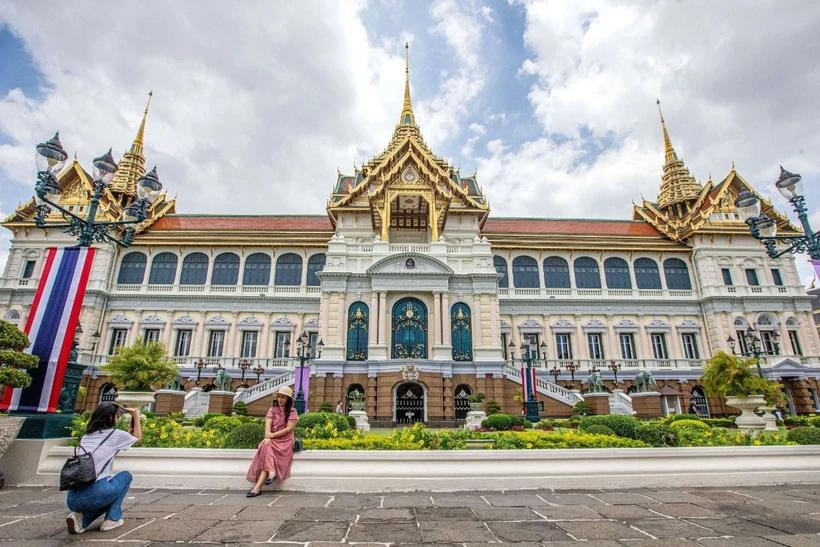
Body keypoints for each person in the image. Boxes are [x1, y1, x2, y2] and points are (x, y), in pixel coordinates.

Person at [65, 402, 141, 534]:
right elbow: (138, 438)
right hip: (96, 493)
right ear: (111, 418)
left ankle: (81, 519)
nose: (118, 418)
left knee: (106, 492)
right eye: (117, 416)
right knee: (125, 477)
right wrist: (136, 416)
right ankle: (113, 518)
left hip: (72, 499)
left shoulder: (86, 437)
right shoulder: (115, 435)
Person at [246, 386, 299, 497]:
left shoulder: (292, 412)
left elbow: (288, 429)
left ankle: (258, 487)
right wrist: (267, 436)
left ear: (288, 400)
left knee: (266, 446)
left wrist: (272, 435)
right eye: (279, 397)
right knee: (266, 445)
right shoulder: (272, 409)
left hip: (285, 440)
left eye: (283, 398)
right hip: (272, 438)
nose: (280, 399)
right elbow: (268, 424)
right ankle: (264, 480)